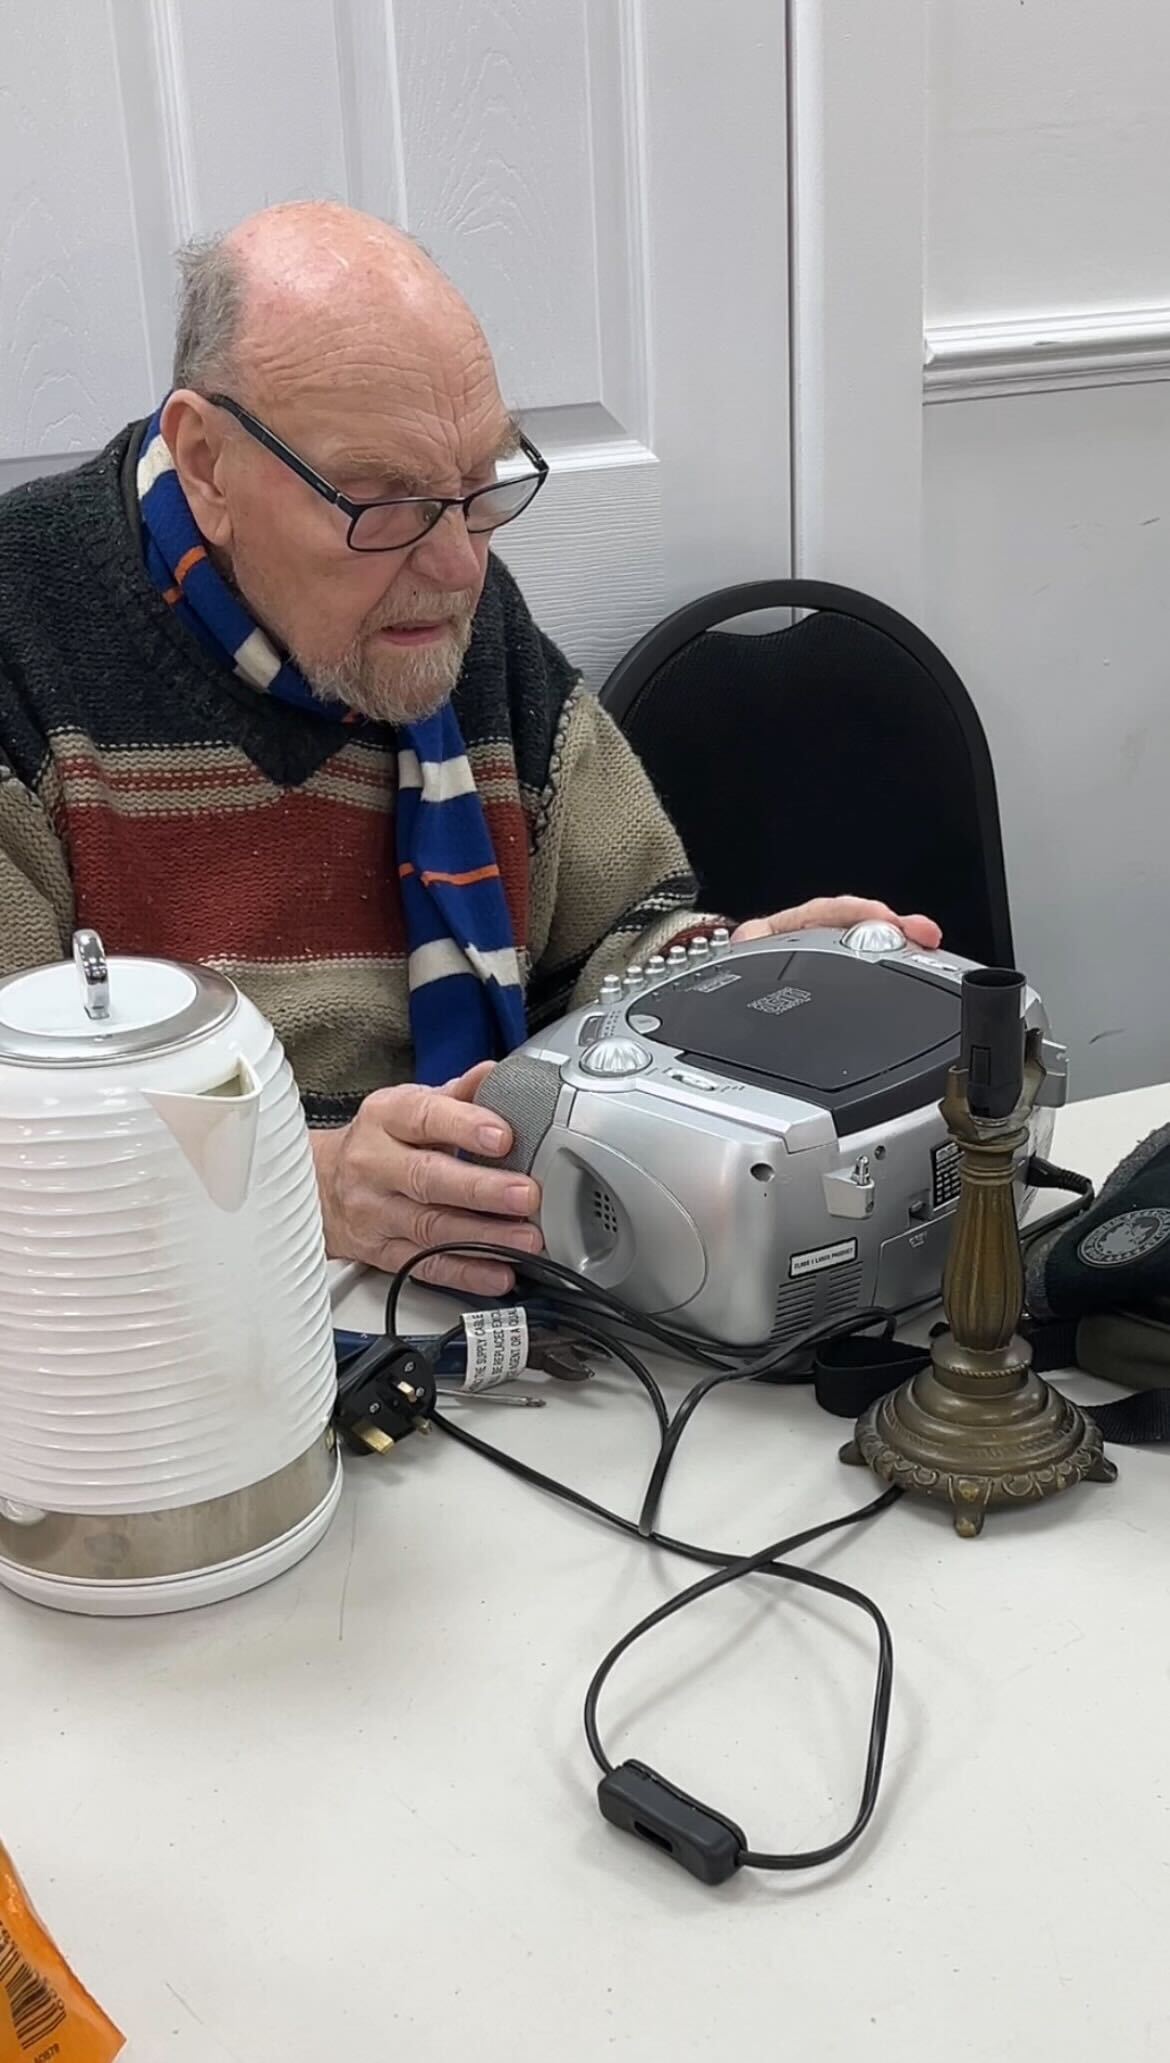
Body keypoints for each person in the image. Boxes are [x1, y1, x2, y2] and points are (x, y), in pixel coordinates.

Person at [0, 202, 939, 1293]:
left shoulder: (453, 612)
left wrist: (730, 980)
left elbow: (612, 946)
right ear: (207, 463)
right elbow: (24, 1140)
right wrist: (301, 1183)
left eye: (480, 483)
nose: (458, 568)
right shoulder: (26, 639)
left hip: (498, 1282)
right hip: (168, 1317)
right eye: (382, 501)